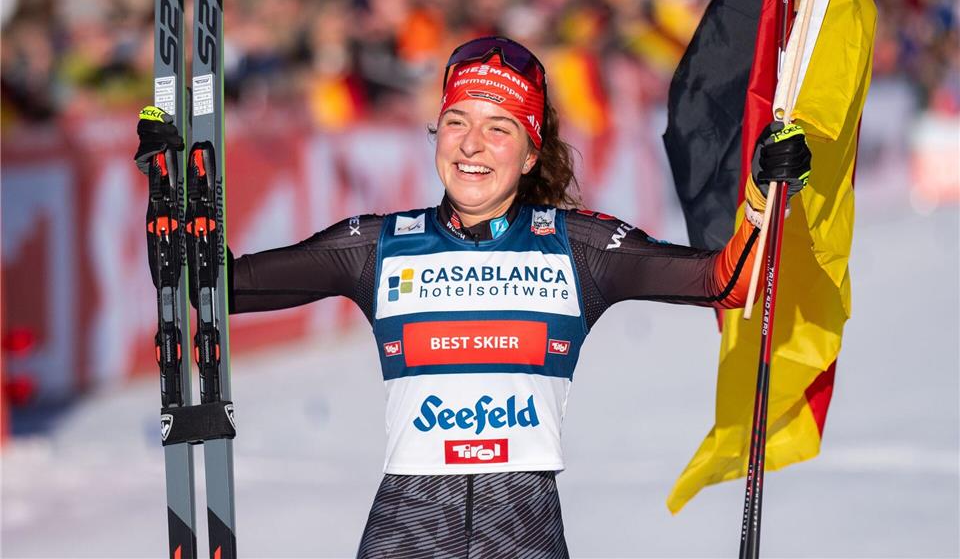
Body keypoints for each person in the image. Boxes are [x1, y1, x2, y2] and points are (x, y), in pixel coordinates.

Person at [136, 36, 811, 558]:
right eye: (456, 121)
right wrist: (169, 189)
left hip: (521, 524)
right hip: (409, 525)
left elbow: (727, 281)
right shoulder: (380, 244)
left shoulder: (577, 247)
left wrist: (763, 192)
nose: (472, 145)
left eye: (499, 127)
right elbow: (215, 290)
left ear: (528, 152)